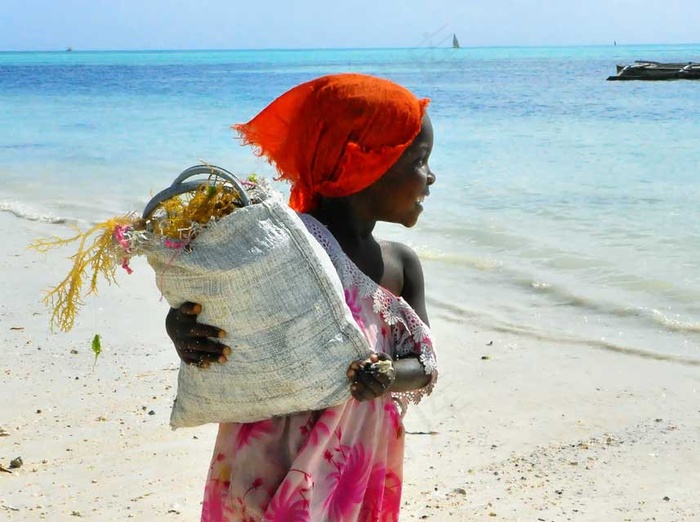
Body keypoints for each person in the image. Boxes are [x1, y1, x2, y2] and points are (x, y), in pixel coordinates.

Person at [165, 73, 438, 522]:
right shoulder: (285, 248)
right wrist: (181, 328)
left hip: (355, 463)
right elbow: (217, 312)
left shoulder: (401, 266)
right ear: (363, 163)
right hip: (268, 460)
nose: (431, 176)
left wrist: (387, 377)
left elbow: (424, 366)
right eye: (419, 160)